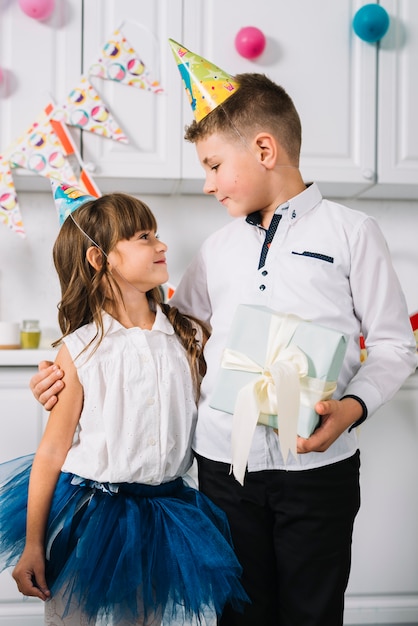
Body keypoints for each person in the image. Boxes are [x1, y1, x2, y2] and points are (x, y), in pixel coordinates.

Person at [29, 43, 418, 626]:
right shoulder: (218, 247)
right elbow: (167, 332)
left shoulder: (352, 233)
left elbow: (393, 345)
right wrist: (66, 367)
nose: (208, 185)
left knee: (314, 608)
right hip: (220, 468)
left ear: (265, 149)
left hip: (318, 468)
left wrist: (354, 407)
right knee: (239, 611)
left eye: (213, 165)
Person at [0, 190, 248, 625]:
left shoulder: (189, 336)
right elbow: (52, 452)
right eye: (144, 237)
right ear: (100, 259)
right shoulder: (79, 350)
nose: (162, 245)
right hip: (92, 519)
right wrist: (34, 546)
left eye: (157, 235)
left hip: (165, 514)